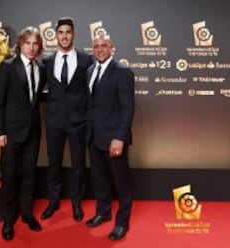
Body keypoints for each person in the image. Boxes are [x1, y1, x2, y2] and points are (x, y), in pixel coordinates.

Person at [0, 26, 45, 241]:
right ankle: (8, 219)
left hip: (33, 132)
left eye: (35, 44)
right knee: (11, 176)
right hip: (11, 133)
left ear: (39, 47)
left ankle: (26, 214)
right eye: (28, 43)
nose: (31, 48)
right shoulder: (7, 67)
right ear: (20, 45)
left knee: (29, 175)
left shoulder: (40, 68)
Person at [40, 17, 93, 222]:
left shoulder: (86, 60)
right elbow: (38, 90)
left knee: (79, 165)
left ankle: (76, 203)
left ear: (73, 34)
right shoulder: (47, 61)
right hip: (54, 122)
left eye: (68, 32)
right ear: (55, 35)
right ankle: (53, 202)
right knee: (54, 164)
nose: (64, 36)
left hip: (78, 122)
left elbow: (91, 91)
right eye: (61, 32)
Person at [85, 34, 135, 241]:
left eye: (104, 45)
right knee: (100, 180)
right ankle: (103, 212)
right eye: (96, 46)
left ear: (111, 48)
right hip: (94, 137)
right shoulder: (89, 71)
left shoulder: (122, 72)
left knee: (121, 183)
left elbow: (127, 108)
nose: (99, 49)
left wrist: (119, 137)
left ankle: (122, 222)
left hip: (114, 139)